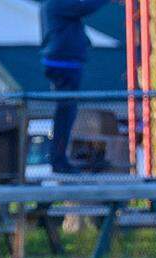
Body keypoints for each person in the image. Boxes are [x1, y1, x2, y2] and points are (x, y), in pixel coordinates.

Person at [40, 0, 110, 173]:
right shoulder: (57, 4)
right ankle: (58, 161)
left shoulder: (55, 6)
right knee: (65, 113)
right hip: (64, 63)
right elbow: (84, 7)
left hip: (66, 62)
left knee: (67, 113)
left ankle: (60, 159)